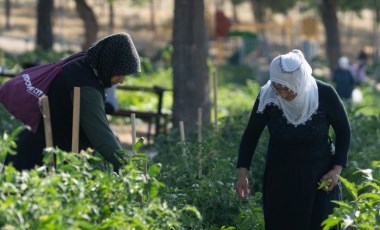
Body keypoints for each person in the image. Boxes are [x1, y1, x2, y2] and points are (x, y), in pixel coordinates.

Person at [235, 49, 351, 230]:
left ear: (299, 82)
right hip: (281, 181)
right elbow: (251, 135)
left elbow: (343, 131)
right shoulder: (268, 97)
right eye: (277, 86)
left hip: (320, 180)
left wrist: (336, 170)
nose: (282, 93)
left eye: (287, 88)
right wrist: (243, 174)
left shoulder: (325, 94)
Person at [5, 32, 141, 171]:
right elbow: (101, 137)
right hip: (37, 160)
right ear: (109, 64)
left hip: (32, 149)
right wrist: (129, 169)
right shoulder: (85, 86)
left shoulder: (82, 64)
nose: (122, 80)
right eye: (120, 73)